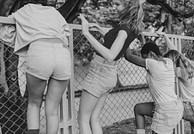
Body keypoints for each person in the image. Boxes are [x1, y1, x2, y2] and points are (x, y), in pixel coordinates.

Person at [0, 0, 71, 134]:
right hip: (63, 53)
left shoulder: (25, 10)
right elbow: (66, 33)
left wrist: (21, 40)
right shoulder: (54, 12)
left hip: (40, 51)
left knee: (34, 103)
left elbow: (3, 30)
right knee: (53, 109)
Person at [78, 0, 146, 134]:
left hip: (100, 71)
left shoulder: (124, 30)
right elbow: (114, 40)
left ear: (128, 6)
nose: (113, 6)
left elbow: (110, 55)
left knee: (83, 119)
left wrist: (86, 33)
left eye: (117, 4)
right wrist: (98, 28)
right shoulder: (130, 28)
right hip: (108, 74)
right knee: (93, 119)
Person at [125, 42, 184, 134]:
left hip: (165, 110)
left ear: (151, 54)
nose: (144, 61)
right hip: (176, 107)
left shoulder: (153, 64)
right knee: (139, 109)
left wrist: (125, 37)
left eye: (145, 57)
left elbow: (128, 56)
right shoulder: (168, 62)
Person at [161, 32, 194, 134]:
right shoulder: (190, 67)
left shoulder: (179, 72)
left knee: (163, 110)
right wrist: (165, 36)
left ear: (173, 62)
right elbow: (177, 53)